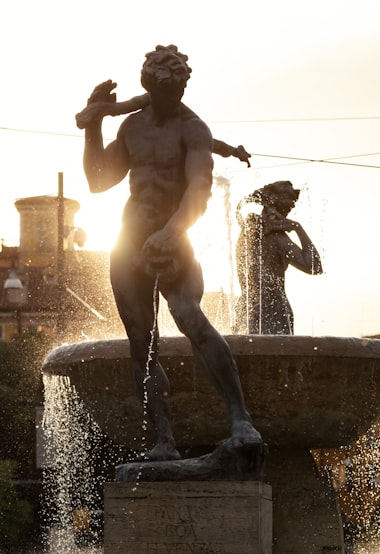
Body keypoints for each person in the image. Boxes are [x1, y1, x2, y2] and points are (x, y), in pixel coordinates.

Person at [78, 45, 260, 463]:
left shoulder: (193, 129)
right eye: (162, 90)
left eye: (176, 89)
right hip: (128, 243)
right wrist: (95, 123)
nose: (171, 97)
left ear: (182, 87)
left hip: (174, 239)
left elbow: (199, 190)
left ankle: (239, 418)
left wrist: (172, 232)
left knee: (189, 317)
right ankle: (164, 440)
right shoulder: (132, 128)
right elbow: (98, 181)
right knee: (141, 344)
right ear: (148, 87)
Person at [236, 181, 322, 335]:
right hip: (274, 309)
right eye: (285, 211)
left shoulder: (245, 234)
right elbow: (314, 266)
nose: (285, 217)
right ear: (272, 208)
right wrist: (297, 227)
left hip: (246, 308)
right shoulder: (277, 239)